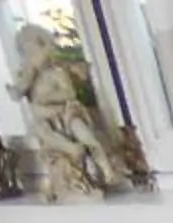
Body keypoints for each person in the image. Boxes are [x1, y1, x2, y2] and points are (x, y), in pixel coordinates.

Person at [11, 26, 114, 201]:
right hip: (45, 122)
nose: (33, 57)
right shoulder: (29, 78)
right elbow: (16, 93)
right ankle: (68, 157)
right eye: (28, 53)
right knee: (42, 131)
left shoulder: (56, 73)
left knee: (84, 133)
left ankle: (105, 167)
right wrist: (28, 77)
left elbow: (69, 94)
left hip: (66, 116)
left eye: (36, 50)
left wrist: (47, 98)